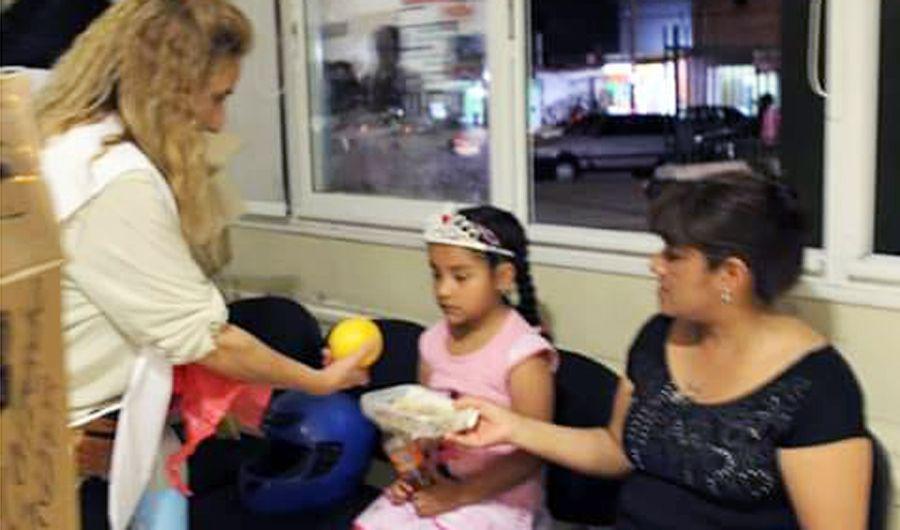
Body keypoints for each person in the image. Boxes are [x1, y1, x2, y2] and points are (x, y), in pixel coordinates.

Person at [34, 1, 369, 528]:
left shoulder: (68, 145)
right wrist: (317, 382)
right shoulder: (116, 180)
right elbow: (206, 338)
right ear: (165, 90)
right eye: (216, 98)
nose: (218, 121)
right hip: (70, 439)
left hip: (95, 422)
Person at [450, 171, 872, 530]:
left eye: (673, 255)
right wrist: (512, 427)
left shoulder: (818, 386)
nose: (656, 265)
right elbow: (615, 450)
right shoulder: (659, 337)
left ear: (730, 275)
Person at [353, 206, 557, 530]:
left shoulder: (524, 355)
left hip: (500, 498)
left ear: (503, 277)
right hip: (439, 484)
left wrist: (460, 495)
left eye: (460, 277)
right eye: (437, 274)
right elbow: (422, 425)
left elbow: (531, 455)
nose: (443, 290)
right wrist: (415, 473)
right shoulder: (431, 342)